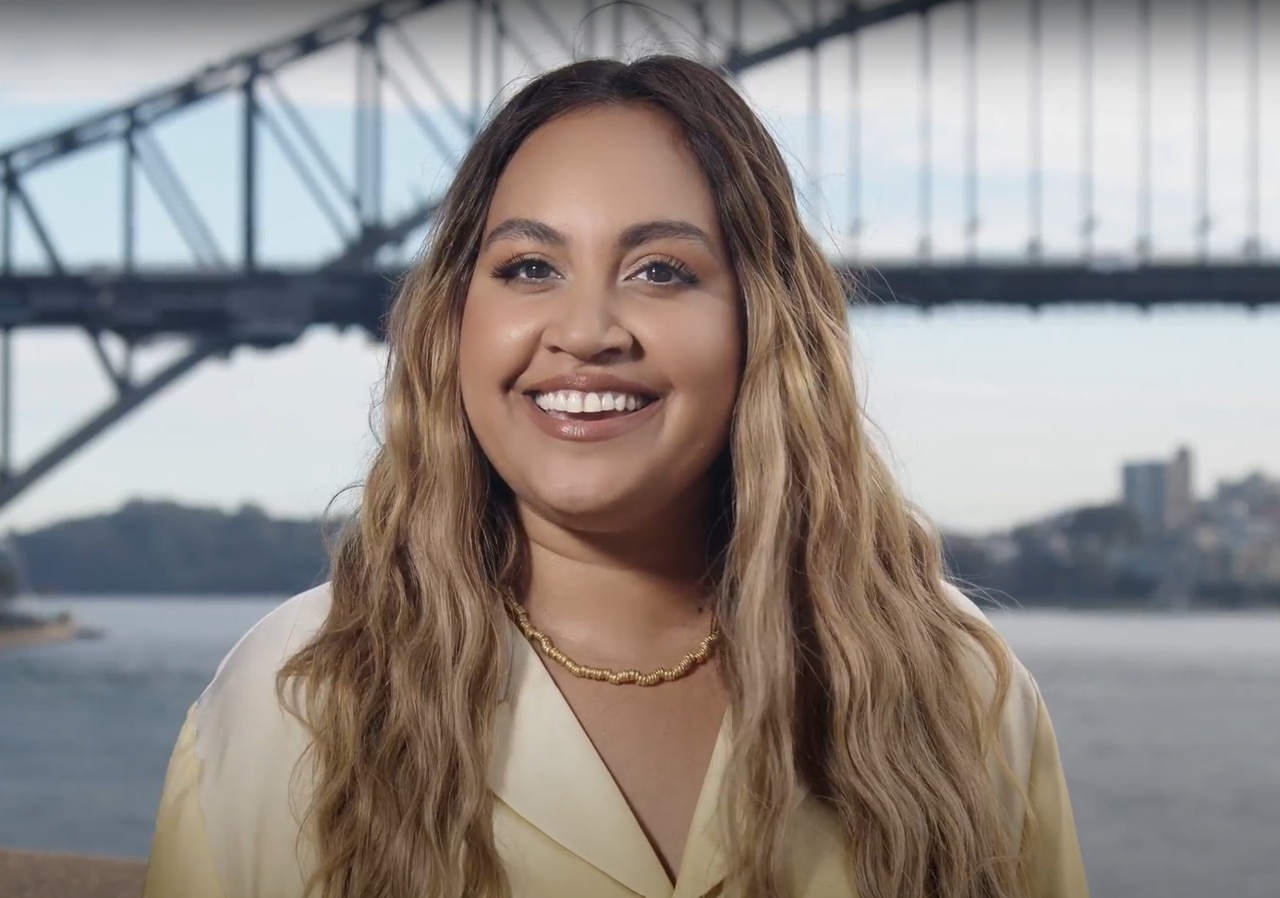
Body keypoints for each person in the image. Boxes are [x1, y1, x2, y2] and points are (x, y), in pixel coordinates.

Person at [142, 55, 1089, 898]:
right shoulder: (293, 701)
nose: (589, 330)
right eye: (527, 267)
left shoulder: (961, 689)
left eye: (661, 271)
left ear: (763, 325)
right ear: (453, 322)